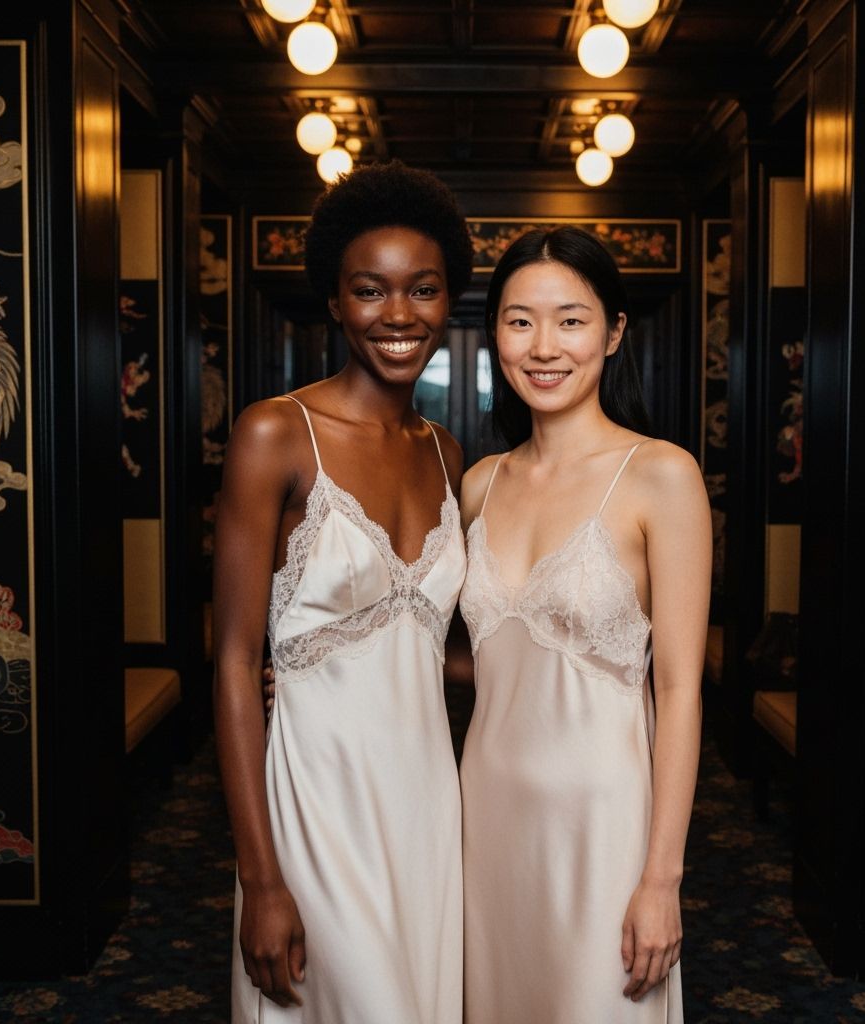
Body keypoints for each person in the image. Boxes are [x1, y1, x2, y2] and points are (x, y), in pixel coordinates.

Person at [213, 160, 474, 1023]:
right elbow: (233, 663)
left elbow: (443, 651)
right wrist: (261, 879)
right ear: (333, 301)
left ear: (449, 301)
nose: (399, 316)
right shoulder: (273, 433)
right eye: (371, 290)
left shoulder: (448, 452)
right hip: (316, 802)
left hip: (430, 802)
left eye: (423, 290)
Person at [458, 226, 710, 1023]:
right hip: (484, 813)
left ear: (614, 331)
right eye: (519, 319)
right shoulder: (477, 485)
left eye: (570, 319)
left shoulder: (662, 476)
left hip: (603, 824)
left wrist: (661, 878)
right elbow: (487, 660)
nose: (543, 346)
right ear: (494, 331)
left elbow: (678, 688)